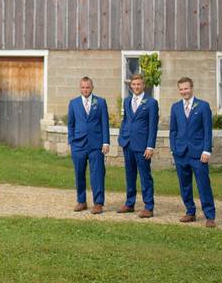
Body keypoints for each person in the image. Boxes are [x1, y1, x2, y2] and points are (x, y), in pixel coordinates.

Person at [169, 77, 217, 228]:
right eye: (181, 89)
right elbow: (173, 130)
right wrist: (173, 149)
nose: (184, 91)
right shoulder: (175, 107)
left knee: (203, 184)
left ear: (192, 88)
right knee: (185, 185)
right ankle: (190, 212)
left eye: (186, 88)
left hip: (198, 153)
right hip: (181, 153)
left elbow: (207, 130)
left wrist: (206, 150)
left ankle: (210, 216)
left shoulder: (203, 106)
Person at [117, 73, 159, 218]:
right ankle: (129, 203)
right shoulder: (127, 101)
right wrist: (122, 137)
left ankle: (148, 206)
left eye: (139, 84)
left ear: (143, 85)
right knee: (129, 175)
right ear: (131, 86)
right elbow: (125, 120)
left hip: (142, 146)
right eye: (134, 84)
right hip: (127, 144)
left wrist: (150, 146)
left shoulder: (151, 102)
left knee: (145, 176)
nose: (136, 87)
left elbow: (153, 126)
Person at [66, 76, 110, 213]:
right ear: (80, 88)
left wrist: (105, 142)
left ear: (92, 87)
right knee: (79, 173)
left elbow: (105, 123)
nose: (85, 90)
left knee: (97, 173)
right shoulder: (73, 103)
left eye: (88, 87)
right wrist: (71, 141)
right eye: (83, 87)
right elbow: (71, 124)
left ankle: (98, 203)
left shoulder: (100, 102)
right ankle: (81, 201)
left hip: (96, 145)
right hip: (78, 145)